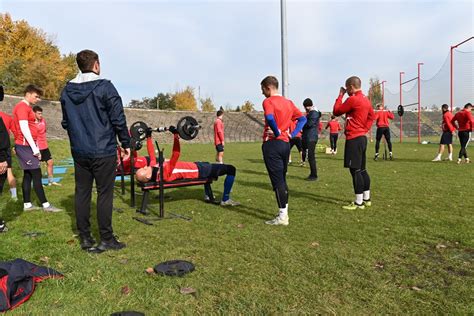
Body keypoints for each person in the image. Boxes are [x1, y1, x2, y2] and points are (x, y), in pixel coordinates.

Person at [60, 49, 131, 252]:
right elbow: (118, 118)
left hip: (80, 150)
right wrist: (125, 143)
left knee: (81, 192)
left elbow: (66, 122)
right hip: (103, 149)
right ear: (96, 64)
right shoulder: (105, 87)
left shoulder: (67, 90)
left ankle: (85, 237)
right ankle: (106, 238)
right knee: (104, 193)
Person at [135, 130, 240, 206]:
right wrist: (176, 135)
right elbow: (176, 154)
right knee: (231, 169)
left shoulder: (154, 168)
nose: (144, 166)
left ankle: (208, 195)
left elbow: (151, 153)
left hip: (197, 166)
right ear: (148, 176)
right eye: (144, 169)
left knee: (209, 164)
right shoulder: (163, 174)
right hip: (199, 171)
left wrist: (148, 137)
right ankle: (225, 199)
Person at [260, 76, 306, 226]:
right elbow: (303, 119)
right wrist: (292, 134)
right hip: (285, 145)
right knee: (282, 179)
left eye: (262, 89)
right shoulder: (289, 102)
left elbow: (269, 116)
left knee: (278, 181)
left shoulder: (268, 101)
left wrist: (277, 131)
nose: (262, 93)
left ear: (268, 87)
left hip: (272, 144)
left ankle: (282, 217)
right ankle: (284, 213)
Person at [11, 85, 62, 213]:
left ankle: (27, 205)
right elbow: (24, 128)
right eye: (36, 96)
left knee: (28, 175)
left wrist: (36, 146)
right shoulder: (22, 107)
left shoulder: (27, 108)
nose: (38, 99)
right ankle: (46, 205)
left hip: (28, 146)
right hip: (25, 146)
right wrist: (35, 149)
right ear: (28, 93)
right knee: (36, 174)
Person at [333, 76, 375, 210]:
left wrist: (340, 95)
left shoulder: (353, 99)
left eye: (347, 88)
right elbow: (372, 116)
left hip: (354, 138)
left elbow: (336, 111)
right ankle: (366, 199)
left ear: (351, 86)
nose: (347, 90)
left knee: (355, 170)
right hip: (362, 137)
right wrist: (365, 129)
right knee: (362, 169)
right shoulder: (366, 100)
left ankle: (358, 202)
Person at [32, 105, 60, 186]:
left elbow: (44, 130)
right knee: (38, 166)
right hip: (37, 147)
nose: (40, 115)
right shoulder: (32, 123)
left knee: (50, 162)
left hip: (45, 146)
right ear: (34, 113)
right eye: (39, 114)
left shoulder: (43, 120)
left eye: (41, 113)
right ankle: (38, 182)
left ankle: (51, 181)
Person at [301, 98, 321, 181]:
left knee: (311, 156)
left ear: (306, 106)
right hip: (309, 136)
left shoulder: (313, 113)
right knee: (310, 156)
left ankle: (314, 175)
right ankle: (312, 174)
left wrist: (302, 124)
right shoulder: (312, 113)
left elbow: (309, 124)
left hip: (311, 137)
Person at [0, 110, 18, 200]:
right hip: (5, 148)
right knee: (9, 172)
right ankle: (14, 196)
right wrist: (15, 146)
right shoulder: (7, 117)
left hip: (3, 148)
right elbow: (16, 132)